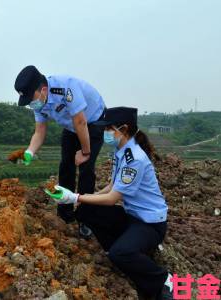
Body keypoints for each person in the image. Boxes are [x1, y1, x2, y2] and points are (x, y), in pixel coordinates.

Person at [46, 107, 173, 300]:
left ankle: (163, 279)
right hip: (132, 218)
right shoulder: (120, 151)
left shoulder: (134, 159)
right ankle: (120, 252)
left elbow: (113, 198)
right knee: (86, 210)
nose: (105, 133)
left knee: (119, 253)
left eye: (109, 129)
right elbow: (112, 186)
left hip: (150, 225)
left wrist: (75, 197)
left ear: (125, 129)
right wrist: (86, 199)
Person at [13, 65, 106, 230]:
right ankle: (65, 214)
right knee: (65, 166)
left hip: (92, 121)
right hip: (72, 126)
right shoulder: (39, 103)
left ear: (43, 89)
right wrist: (29, 152)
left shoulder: (65, 87)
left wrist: (85, 152)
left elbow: (81, 121)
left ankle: (86, 218)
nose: (30, 104)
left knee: (86, 168)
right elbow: (40, 131)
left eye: (30, 98)